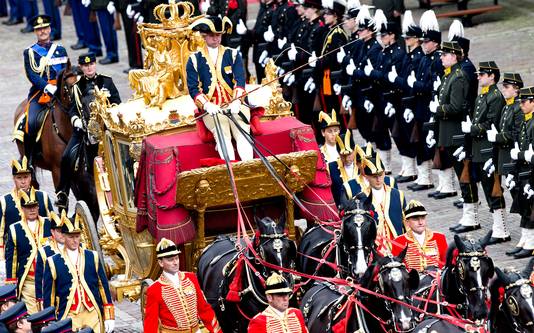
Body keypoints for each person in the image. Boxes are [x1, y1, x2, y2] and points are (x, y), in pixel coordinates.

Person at [55, 53, 121, 209]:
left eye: (91, 64)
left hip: (106, 129)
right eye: (85, 66)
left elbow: (117, 102)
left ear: (95, 64)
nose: (89, 68)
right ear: (82, 68)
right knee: (66, 156)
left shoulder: (107, 82)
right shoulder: (77, 87)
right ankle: (63, 193)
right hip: (84, 130)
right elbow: (72, 109)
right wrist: (76, 120)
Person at [452, 62, 507, 240]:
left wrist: (473, 129)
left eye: (482, 74)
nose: (478, 77)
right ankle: (497, 227)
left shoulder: (495, 96)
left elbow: (491, 124)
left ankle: (502, 229)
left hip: (488, 150)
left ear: (492, 76)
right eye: (478, 74)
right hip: (478, 149)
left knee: (493, 189)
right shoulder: (483, 95)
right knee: (486, 187)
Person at [187, 15, 253, 162]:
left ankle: (249, 166)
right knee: (222, 134)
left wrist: (237, 101)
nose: (216, 39)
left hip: (236, 104)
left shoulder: (233, 54)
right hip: (212, 108)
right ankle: (230, 167)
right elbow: (193, 88)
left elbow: (240, 80)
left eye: (218, 35)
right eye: (212, 36)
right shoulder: (193, 59)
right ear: (204, 36)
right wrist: (206, 104)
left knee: (243, 132)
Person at [43, 214, 114, 333]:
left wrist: (109, 315)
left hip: (93, 312)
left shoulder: (93, 256)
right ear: (63, 236)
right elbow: (49, 296)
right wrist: (49, 321)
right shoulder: (52, 262)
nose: (75, 240)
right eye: (71, 237)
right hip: (68, 314)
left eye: (77, 236)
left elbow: (103, 286)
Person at [144, 238, 222, 333]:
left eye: (176, 258)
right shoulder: (154, 289)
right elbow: (151, 322)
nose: (175, 262)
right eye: (170, 260)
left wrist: (217, 331)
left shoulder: (191, 278)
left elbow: (204, 309)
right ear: (161, 262)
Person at [21, 15, 68, 165]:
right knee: (32, 122)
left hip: (60, 92)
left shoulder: (60, 50)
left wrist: (60, 87)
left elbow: (67, 72)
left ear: (49, 29)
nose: (42, 31)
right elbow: (32, 75)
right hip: (40, 93)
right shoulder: (30, 52)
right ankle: (30, 160)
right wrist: (48, 87)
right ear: (35, 32)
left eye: (45, 28)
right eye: (39, 29)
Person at [487, 73, 524, 254]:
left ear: (516, 90)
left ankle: (528, 236)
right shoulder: (507, 107)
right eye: (504, 86)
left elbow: (515, 135)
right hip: (503, 157)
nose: (504, 89)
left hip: (513, 157)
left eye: (507, 87)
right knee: (516, 194)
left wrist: (498, 137)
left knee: (520, 195)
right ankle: (526, 236)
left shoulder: (518, 108)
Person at [407, 10, 442, 193]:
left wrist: (416, 85)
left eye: (427, 41)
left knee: (433, 145)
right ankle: (425, 177)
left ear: (435, 43)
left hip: (429, 105)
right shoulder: (424, 58)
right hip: (420, 105)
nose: (424, 44)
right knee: (420, 143)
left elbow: (430, 86)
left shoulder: (436, 60)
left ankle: (443, 183)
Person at [5, 188, 52, 314]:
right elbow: (12, 260)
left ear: (38, 207)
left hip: (49, 280)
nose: (31, 210)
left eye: (34, 206)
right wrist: (11, 285)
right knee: (34, 318)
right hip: (28, 283)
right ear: (22, 208)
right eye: (28, 207)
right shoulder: (14, 229)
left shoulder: (49, 224)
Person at [1, 157, 53, 259]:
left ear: (30, 177)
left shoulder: (43, 197)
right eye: (19, 178)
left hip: (42, 254)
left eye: (25, 177)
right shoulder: (4, 201)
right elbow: (0, 232)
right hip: (17, 255)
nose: (23, 181)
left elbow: (53, 226)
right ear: (14, 178)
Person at [361, 152, 406, 254]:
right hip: (375, 251)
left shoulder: (398, 194)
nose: (378, 179)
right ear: (366, 176)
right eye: (374, 176)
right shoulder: (361, 199)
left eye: (380, 175)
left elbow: (406, 223)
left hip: (398, 247)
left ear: (384, 173)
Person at [508, 86, 534, 259]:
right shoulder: (526, 121)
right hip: (524, 169)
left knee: (531, 208)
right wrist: (512, 171)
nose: (521, 105)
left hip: (532, 170)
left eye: (524, 102)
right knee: (524, 206)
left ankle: (531, 242)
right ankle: (525, 240)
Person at [391, 200, 447, 272]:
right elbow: (398, 269)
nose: (420, 222)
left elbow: (446, 263)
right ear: (407, 222)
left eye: (423, 218)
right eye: (415, 219)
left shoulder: (439, 237)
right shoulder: (398, 242)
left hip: (437, 280)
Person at [35, 211, 65, 307]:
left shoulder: (81, 248)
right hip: (55, 301)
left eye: (65, 231)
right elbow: (40, 280)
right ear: (52, 232)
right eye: (59, 231)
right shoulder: (44, 252)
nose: (63, 234)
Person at [328, 132, 356, 207]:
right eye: (343, 156)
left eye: (349, 154)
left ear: (355, 150)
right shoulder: (331, 168)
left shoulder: (363, 165)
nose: (347, 159)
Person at [90, 0, 119, 64]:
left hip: (105, 4)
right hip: (99, 4)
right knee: (105, 32)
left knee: (108, 31)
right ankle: (110, 53)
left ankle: (112, 55)